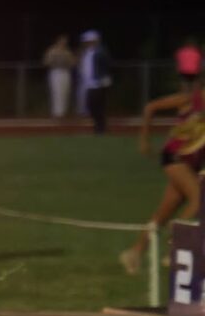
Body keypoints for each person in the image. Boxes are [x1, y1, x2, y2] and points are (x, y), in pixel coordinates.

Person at [124, 79, 205, 275]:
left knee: (163, 213)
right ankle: (175, 247)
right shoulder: (189, 100)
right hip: (174, 158)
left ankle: (134, 252)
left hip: (190, 165)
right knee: (198, 200)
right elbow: (150, 107)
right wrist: (144, 140)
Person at [78, 30, 114, 135]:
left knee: (98, 105)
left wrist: (104, 77)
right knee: (92, 105)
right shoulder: (87, 52)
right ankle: (99, 127)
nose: (87, 43)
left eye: (89, 41)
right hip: (89, 83)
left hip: (99, 82)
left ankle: (100, 128)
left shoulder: (101, 51)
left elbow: (107, 64)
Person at [42, 34, 79, 122]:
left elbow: (73, 63)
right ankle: (57, 113)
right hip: (56, 72)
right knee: (56, 92)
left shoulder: (67, 52)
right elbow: (46, 62)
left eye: (65, 41)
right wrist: (54, 60)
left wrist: (73, 60)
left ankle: (63, 112)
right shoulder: (52, 50)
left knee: (65, 92)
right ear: (58, 41)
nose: (63, 42)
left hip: (65, 72)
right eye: (62, 40)